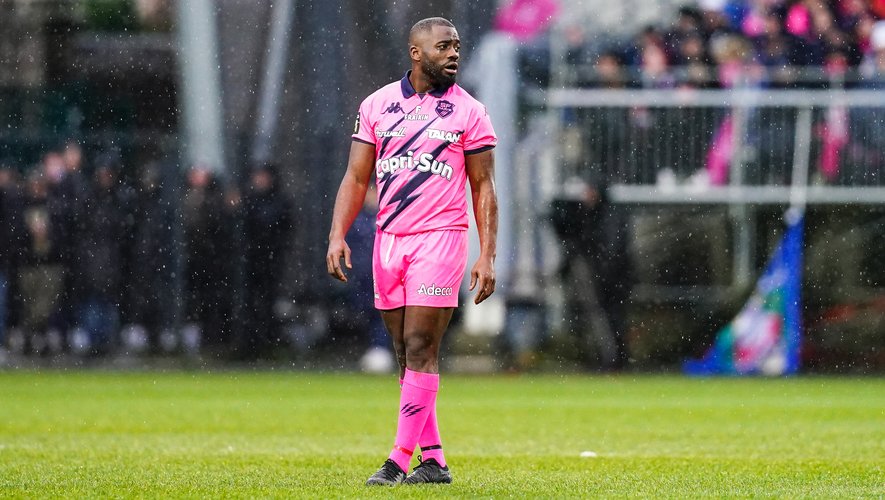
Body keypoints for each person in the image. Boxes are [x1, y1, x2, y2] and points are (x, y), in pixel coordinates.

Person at [326, 17, 498, 486]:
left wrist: (486, 254)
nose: (454, 53)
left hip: (440, 238)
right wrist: (337, 234)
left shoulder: (470, 112)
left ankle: (398, 460)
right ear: (416, 53)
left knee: (421, 345)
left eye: (456, 46)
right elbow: (356, 177)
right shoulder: (376, 105)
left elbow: (483, 186)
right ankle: (435, 461)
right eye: (443, 47)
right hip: (389, 240)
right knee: (405, 352)